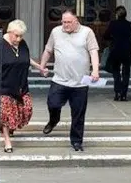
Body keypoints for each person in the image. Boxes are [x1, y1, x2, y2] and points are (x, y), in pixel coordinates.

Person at [39, 9, 100, 152]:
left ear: (76, 21)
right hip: (59, 79)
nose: (65, 25)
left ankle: (77, 141)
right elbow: (48, 50)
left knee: (78, 113)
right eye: (63, 22)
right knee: (52, 104)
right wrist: (42, 65)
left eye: (68, 22)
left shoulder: (87, 32)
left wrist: (95, 70)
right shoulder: (56, 32)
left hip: (80, 82)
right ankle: (53, 120)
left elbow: (93, 51)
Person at [0, 19, 45, 153]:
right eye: (16, 35)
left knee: (26, 111)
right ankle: (7, 140)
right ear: (9, 32)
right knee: (6, 114)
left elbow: (25, 58)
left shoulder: (22, 44)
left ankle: (10, 128)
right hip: (3, 84)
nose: (19, 39)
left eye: (21, 36)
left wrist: (39, 67)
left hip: (20, 84)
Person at [103, 6, 131, 101]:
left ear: (117, 14)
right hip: (127, 50)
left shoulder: (113, 24)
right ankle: (124, 94)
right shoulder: (129, 24)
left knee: (116, 72)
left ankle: (117, 92)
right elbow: (129, 35)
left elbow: (106, 35)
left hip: (116, 49)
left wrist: (113, 38)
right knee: (126, 73)